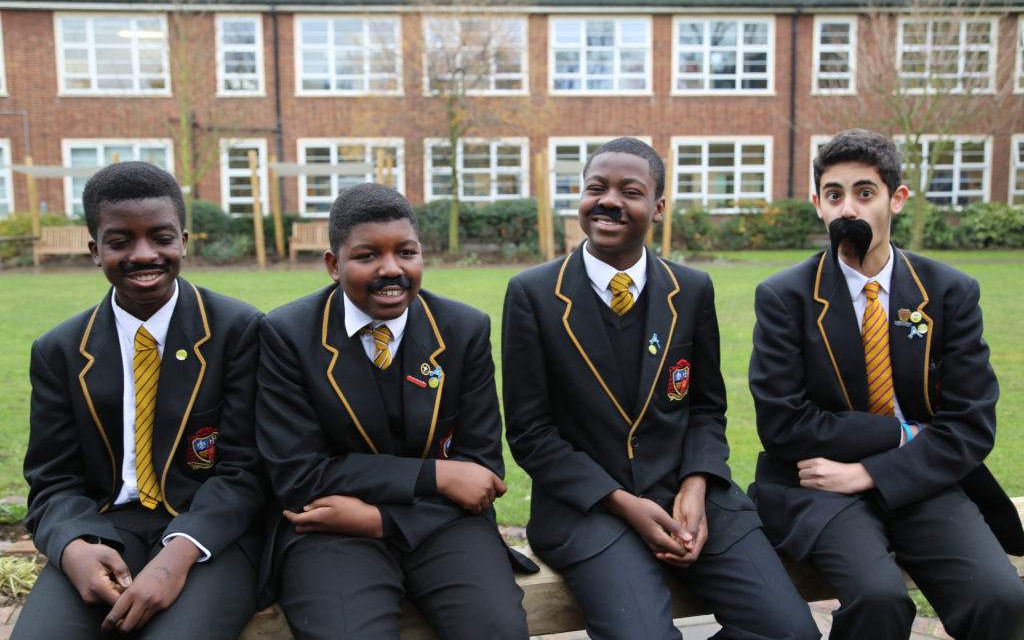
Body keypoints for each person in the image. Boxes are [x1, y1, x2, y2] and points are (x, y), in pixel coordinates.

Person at [502, 137, 819, 640]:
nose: (608, 200)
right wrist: (622, 501)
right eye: (595, 188)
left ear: (659, 207)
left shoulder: (691, 289)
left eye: (630, 191)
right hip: (589, 508)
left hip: (689, 496)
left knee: (790, 631)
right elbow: (530, 433)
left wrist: (696, 484)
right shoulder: (534, 295)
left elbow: (708, 408)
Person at [748, 129, 1024, 639]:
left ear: (895, 200)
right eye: (834, 195)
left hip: (923, 480)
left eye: (864, 193)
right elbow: (784, 423)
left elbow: (969, 423)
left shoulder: (948, 293)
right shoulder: (785, 296)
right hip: (819, 486)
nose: (847, 208)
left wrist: (872, 472)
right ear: (817, 205)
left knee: (1001, 597)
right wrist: (904, 434)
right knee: (879, 599)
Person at [256, 182, 531, 640]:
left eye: (406, 252)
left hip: (442, 524)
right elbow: (299, 475)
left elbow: (480, 471)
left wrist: (380, 519)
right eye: (367, 256)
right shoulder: (287, 335)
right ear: (333, 264)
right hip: (331, 531)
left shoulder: (463, 330)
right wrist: (437, 476)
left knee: (496, 630)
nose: (391, 269)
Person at [16, 161, 265, 638]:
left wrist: (178, 554)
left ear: (184, 241)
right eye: (120, 242)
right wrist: (74, 547)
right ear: (95, 250)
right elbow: (52, 480)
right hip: (107, 527)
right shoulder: (61, 351)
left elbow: (247, 469)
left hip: (211, 531)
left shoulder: (239, 331)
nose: (144, 254)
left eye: (161, 237)